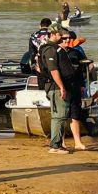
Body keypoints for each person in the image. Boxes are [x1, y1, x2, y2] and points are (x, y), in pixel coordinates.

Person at [37, 24, 73, 154]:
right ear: (53, 35)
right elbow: (53, 70)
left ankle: (57, 144)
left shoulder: (49, 48)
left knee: (60, 116)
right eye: (60, 34)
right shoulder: (50, 50)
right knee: (59, 116)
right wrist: (62, 87)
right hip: (55, 86)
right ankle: (55, 146)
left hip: (55, 86)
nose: (62, 37)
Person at [64, 31, 88, 151]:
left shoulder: (76, 52)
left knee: (75, 115)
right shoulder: (56, 52)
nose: (67, 40)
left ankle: (78, 142)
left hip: (75, 86)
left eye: (69, 38)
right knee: (61, 116)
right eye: (64, 38)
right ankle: (61, 142)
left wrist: (83, 84)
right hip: (61, 88)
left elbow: (83, 68)